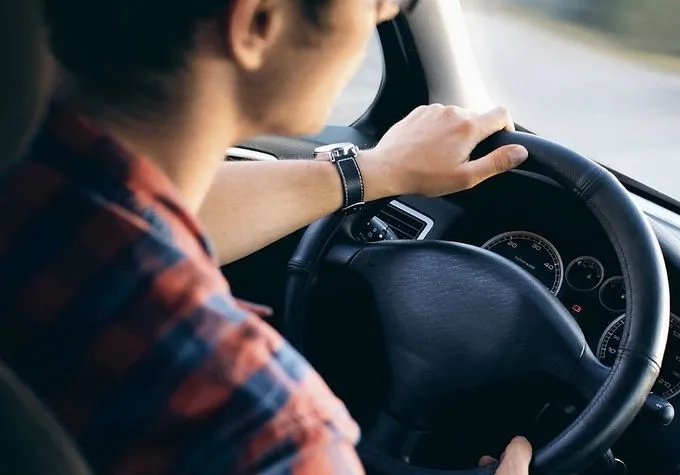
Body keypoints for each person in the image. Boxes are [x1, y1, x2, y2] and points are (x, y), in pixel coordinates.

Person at [0, 0, 533, 473]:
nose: (389, 11)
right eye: (376, 1)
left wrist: (375, 170)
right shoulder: (268, 436)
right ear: (257, 21)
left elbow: (145, 207)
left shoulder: (34, 188)